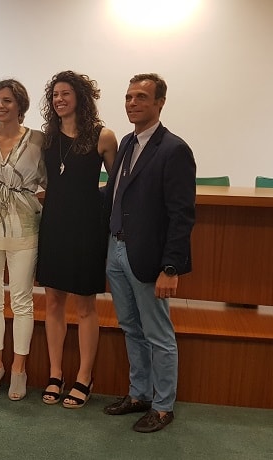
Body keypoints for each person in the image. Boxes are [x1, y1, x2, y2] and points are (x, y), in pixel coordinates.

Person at [103, 73, 195, 433]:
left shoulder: (174, 149)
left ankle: (162, 406)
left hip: (148, 257)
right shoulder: (127, 141)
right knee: (131, 327)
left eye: (141, 97)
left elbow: (182, 214)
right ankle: (139, 394)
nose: (132, 103)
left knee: (158, 333)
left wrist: (171, 266)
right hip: (117, 250)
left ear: (159, 103)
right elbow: (116, 194)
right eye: (128, 97)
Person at [36, 71, 118, 408]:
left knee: (85, 306)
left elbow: (117, 186)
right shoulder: (46, 139)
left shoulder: (103, 136)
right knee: (53, 302)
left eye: (66, 93)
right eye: (54, 95)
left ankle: (84, 376)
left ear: (81, 97)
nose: (59, 100)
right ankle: (55, 374)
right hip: (53, 225)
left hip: (86, 228)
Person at [0, 79, 46, 400]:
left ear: (20, 105)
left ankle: (19, 368)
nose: (1, 106)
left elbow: (53, 179)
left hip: (25, 223)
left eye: (8, 100)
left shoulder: (39, 140)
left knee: (21, 299)